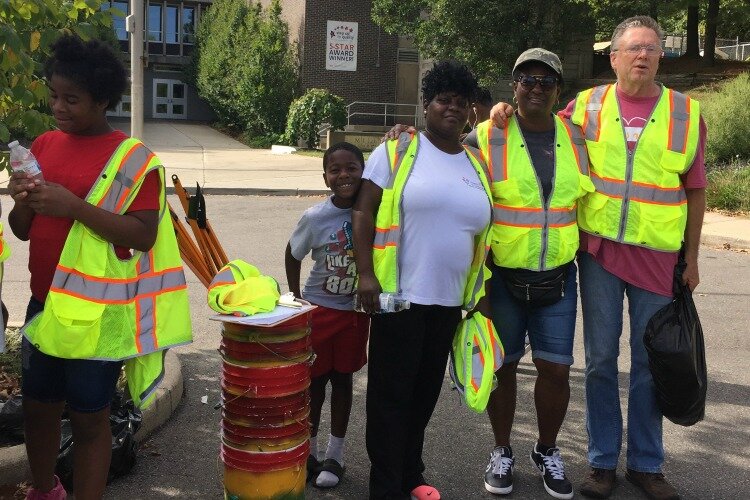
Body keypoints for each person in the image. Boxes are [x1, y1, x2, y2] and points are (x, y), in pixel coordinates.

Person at [491, 16, 706, 500]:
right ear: (613, 57)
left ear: (660, 57)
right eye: (633, 48)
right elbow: (534, 120)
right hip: (600, 254)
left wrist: (691, 258)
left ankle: (647, 465)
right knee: (602, 361)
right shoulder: (586, 106)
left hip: (658, 258)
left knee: (651, 362)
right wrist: (502, 110)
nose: (643, 56)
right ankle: (602, 462)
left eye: (652, 48)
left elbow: (695, 192)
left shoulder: (686, 114)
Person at [8, 35, 191, 500]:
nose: (58, 107)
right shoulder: (45, 144)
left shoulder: (133, 160)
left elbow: (143, 234)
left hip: (100, 312)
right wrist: (23, 201)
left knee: (91, 417)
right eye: (53, 95)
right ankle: (45, 490)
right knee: (38, 409)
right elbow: (22, 230)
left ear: (103, 99)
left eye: (71, 99)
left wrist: (72, 206)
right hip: (44, 303)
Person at [353, 60, 493, 500]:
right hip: (400, 299)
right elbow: (363, 212)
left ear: (471, 110)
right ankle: (386, 487)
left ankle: (411, 474)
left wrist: (479, 300)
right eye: (442, 100)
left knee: (424, 397)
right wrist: (365, 273)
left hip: (450, 304)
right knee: (390, 399)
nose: (451, 109)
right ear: (426, 105)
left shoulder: (476, 163)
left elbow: (480, 238)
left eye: (460, 102)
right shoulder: (396, 151)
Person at [462, 49, 592, 500]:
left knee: (556, 371)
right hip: (502, 280)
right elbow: (449, 176)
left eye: (546, 81)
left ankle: (547, 450)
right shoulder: (485, 136)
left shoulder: (577, 139)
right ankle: (501, 451)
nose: (536, 87)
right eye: (527, 80)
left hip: (558, 279)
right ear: (513, 86)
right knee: (503, 367)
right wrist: (403, 137)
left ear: (558, 90)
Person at [285, 142, 370, 489]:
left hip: (355, 313)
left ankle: (336, 455)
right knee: (315, 383)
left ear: (363, 171)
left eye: (351, 167)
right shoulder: (316, 217)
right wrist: (296, 297)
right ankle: (310, 452)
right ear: (325, 177)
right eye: (335, 170)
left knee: (344, 381)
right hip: (319, 311)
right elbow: (293, 254)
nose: (344, 175)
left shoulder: (374, 210)